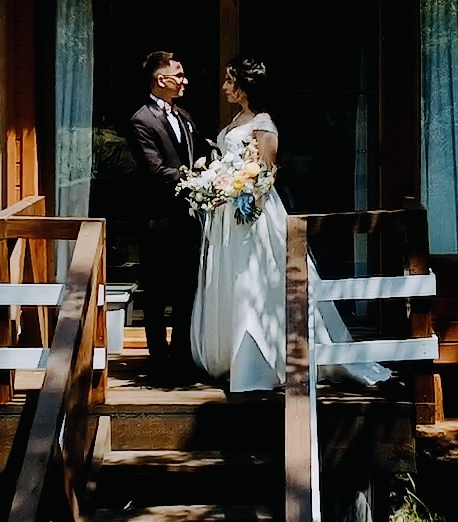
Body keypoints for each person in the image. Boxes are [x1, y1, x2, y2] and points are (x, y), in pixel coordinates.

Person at [188, 55, 390, 393]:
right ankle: (231, 357)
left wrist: (240, 192)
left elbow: (266, 174)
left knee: (255, 280)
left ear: (244, 86)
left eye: (229, 80)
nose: (224, 86)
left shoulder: (264, 122)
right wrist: (214, 181)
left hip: (253, 214)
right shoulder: (238, 118)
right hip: (228, 215)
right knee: (232, 280)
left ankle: (259, 363)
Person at [126, 51, 202, 382]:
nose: (185, 81)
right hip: (158, 220)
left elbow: (192, 154)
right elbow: (154, 170)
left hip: (187, 219)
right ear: (161, 79)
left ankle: (182, 357)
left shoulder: (184, 116)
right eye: (179, 75)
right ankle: (158, 362)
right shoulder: (141, 120)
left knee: (187, 290)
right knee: (157, 293)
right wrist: (196, 177)